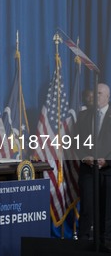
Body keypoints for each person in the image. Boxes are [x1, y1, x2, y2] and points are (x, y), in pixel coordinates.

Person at [76, 83, 111, 247]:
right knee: (87, 209)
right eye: (94, 93)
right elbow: (74, 143)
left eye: (100, 93)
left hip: (108, 171)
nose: (96, 96)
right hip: (88, 170)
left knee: (106, 211)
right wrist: (84, 157)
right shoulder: (83, 116)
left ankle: (105, 243)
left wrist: (107, 161)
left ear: (107, 97)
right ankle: (82, 243)